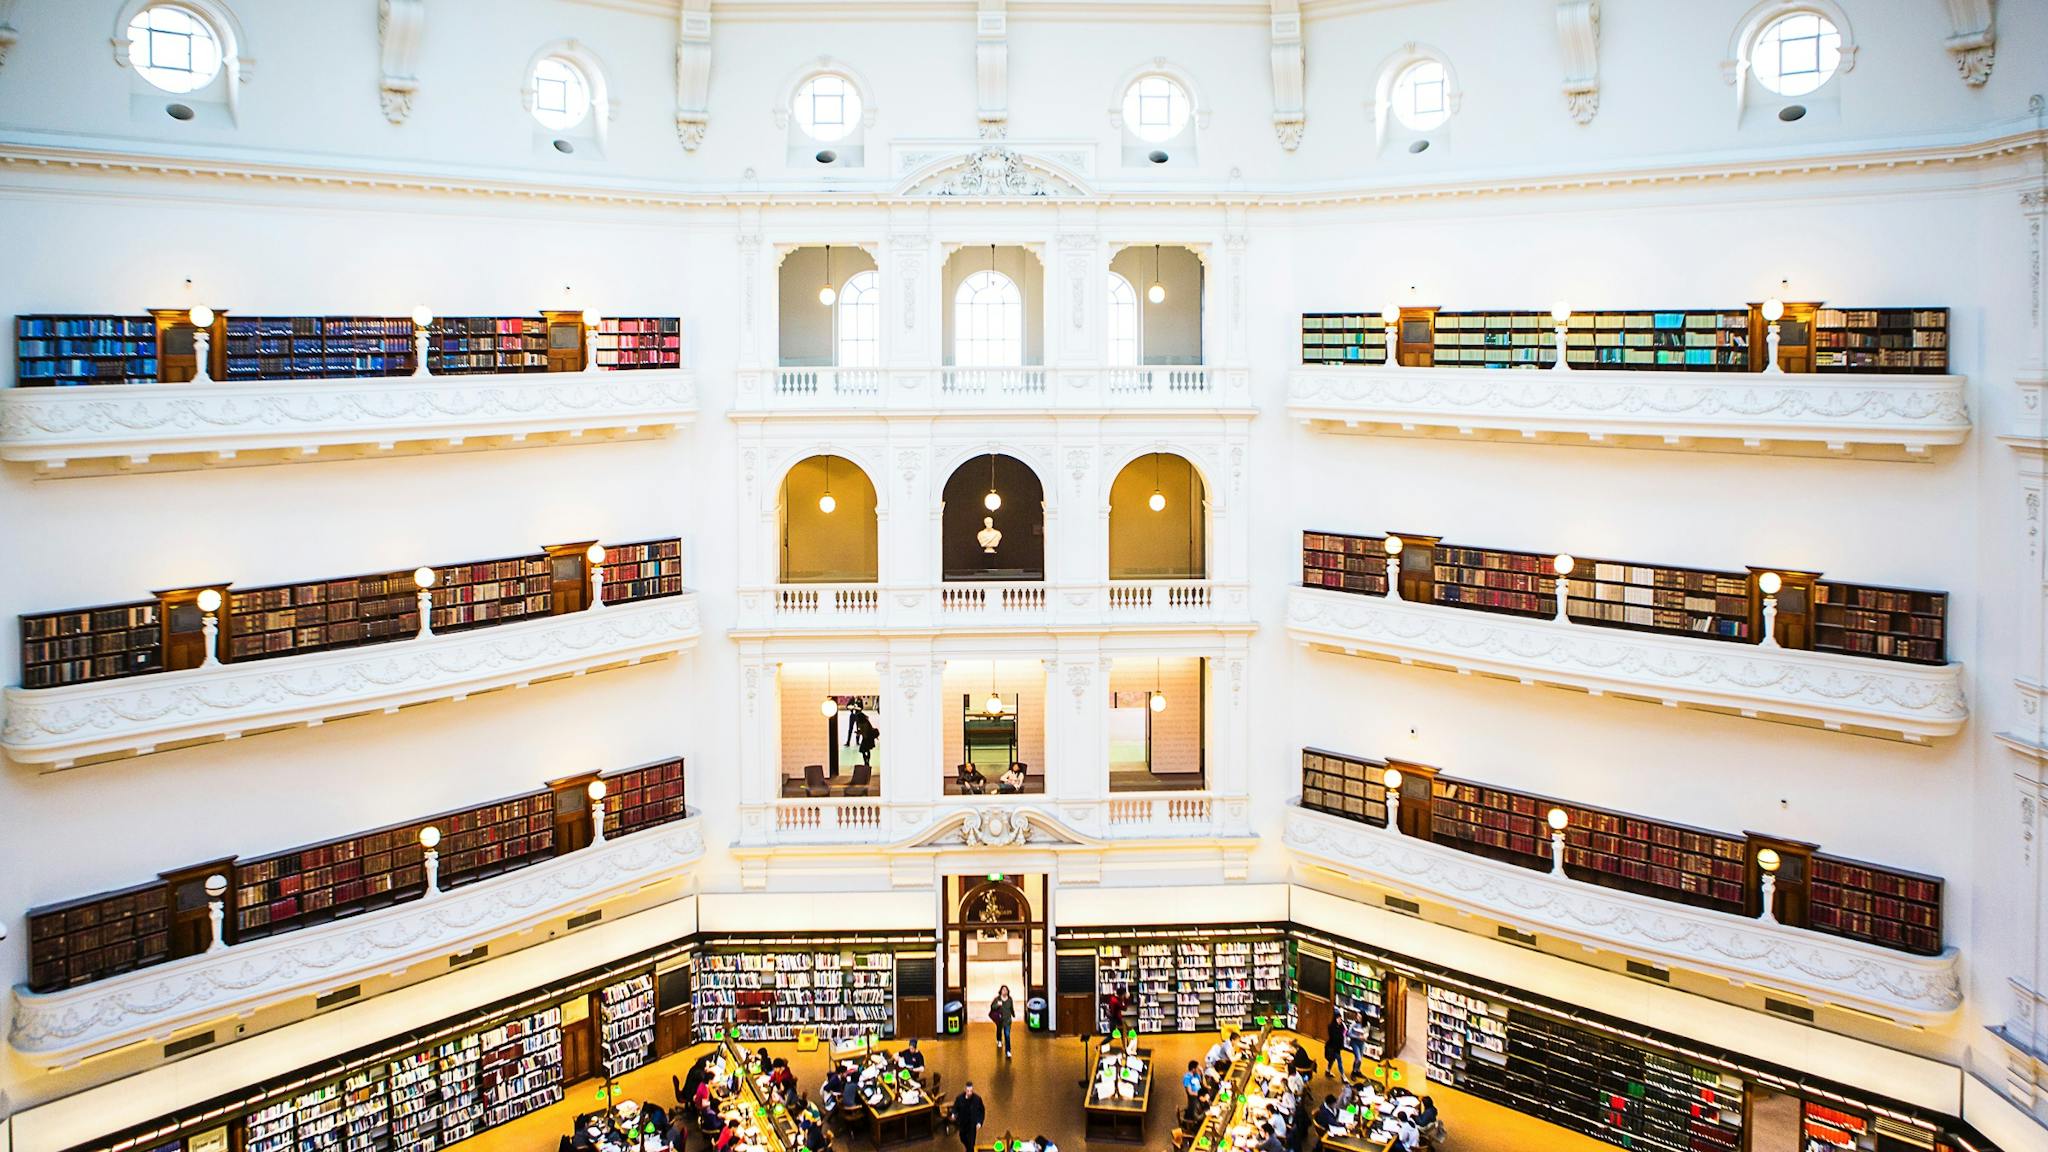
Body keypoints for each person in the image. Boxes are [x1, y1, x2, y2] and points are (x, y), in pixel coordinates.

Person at [952, 1083, 986, 1152]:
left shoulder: (977, 1099)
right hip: (963, 1123)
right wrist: (954, 1113)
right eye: (968, 1091)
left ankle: (970, 1150)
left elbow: (981, 1111)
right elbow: (955, 1107)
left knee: (971, 1144)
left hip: (972, 1125)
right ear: (965, 1090)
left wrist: (979, 1122)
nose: (970, 1093)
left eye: (971, 1091)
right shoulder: (959, 1098)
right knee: (962, 1138)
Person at [989, 985, 1016, 1057]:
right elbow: (992, 1007)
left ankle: (1008, 1051)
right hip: (1000, 1019)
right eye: (1003, 990)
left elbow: (1011, 1008)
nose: (1005, 991)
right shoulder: (997, 999)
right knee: (999, 1030)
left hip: (1007, 1020)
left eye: (1006, 990)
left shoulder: (1010, 999)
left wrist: (1013, 1014)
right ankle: (999, 1040)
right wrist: (997, 1005)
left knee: (1007, 1035)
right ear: (1001, 991)